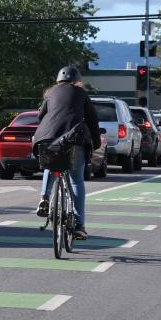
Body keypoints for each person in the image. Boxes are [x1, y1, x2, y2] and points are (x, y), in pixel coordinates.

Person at [33, 65, 100, 240]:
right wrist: (96, 142)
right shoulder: (81, 94)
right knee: (76, 180)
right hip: (74, 140)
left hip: (47, 138)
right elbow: (92, 120)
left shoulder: (50, 93)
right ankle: (79, 225)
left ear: (58, 80)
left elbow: (40, 116)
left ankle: (45, 197)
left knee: (50, 164)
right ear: (76, 80)